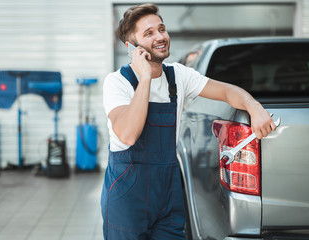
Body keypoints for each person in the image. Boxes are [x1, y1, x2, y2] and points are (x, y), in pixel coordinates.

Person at [101, 3, 276, 239]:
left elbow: (226, 92)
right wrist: (144, 79)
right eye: (149, 33)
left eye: (161, 29)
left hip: (167, 193)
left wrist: (254, 107)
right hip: (127, 196)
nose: (160, 37)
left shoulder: (178, 76)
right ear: (131, 47)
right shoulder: (117, 82)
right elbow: (128, 134)